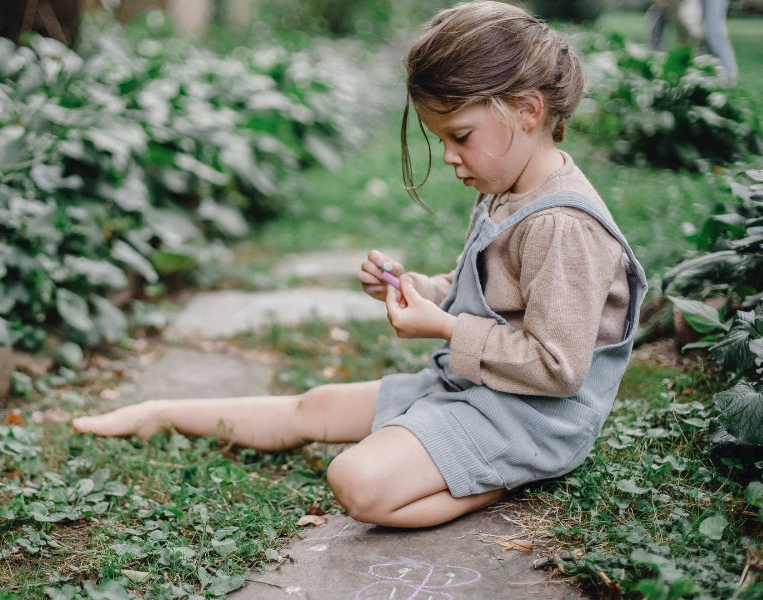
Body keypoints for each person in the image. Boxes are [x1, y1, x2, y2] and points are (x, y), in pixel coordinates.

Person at [73, 0, 648, 529]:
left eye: (460, 136)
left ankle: (504, 477)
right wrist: (417, 287)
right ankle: (161, 410)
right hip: (478, 388)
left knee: (356, 481)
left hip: (532, 420)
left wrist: (444, 327)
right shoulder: (509, 186)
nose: (449, 155)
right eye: (441, 138)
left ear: (527, 110)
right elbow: (490, 292)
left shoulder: (563, 225)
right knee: (316, 406)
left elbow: (557, 366)